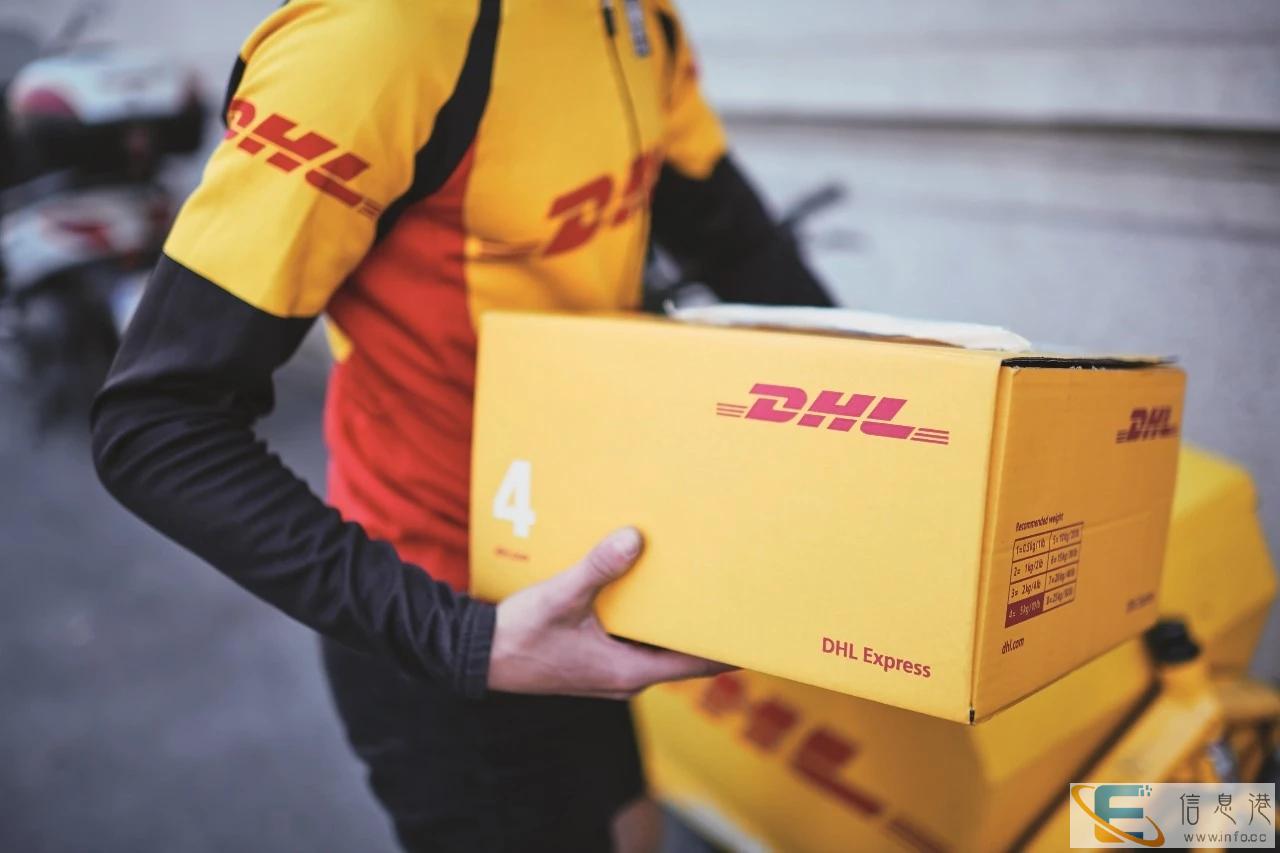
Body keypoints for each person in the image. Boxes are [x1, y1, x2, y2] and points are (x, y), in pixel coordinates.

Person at [90, 1, 833, 850]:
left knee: (635, 834)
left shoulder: (636, 16)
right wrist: (464, 642)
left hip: (576, 577)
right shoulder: (377, 37)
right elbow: (158, 421)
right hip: (434, 608)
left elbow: (737, 241)